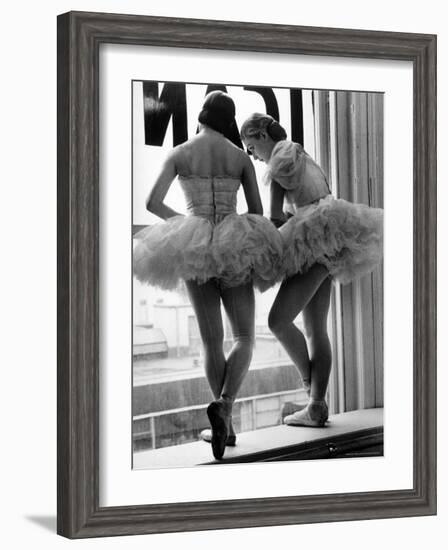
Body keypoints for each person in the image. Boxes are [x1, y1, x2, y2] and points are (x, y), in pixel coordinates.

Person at [133, 94, 283, 459]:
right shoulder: (237, 155)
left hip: (194, 243)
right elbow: (258, 210)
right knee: (245, 337)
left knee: (210, 342)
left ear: (201, 117)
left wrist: (188, 226)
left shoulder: (180, 152)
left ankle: (225, 426)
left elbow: (152, 203)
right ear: (228, 120)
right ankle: (226, 407)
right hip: (233, 242)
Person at [240, 113, 383, 427]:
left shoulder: (278, 162)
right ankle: (316, 406)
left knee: (277, 320)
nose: (253, 156)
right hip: (332, 238)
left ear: (261, 136)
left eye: (251, 148)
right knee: (316, 328)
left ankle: (308, 384)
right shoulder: (301, 154)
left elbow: (276, 217)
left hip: (314, 242)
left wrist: (250, 231)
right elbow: (316, 197)